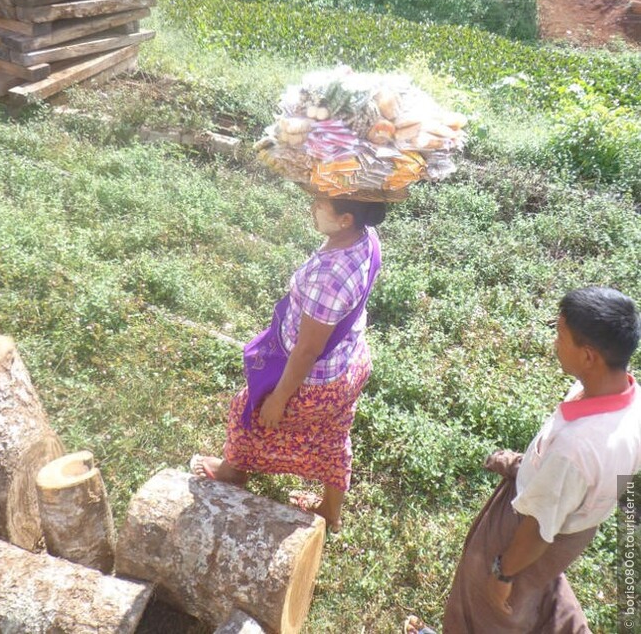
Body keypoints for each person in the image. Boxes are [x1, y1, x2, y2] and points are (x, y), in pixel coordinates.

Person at [423, 285, 641, 633]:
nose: (555, 342)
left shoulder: (576, 450)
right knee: (542, 594)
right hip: (569, 521)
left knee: (489, 604)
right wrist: (525, 465)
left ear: (588, 356)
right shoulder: (630, 399)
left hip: (533, 529)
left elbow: (538, 531)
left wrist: (503, 572)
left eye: (560, 333)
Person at [191, 194, 385, 531]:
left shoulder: (330, 278)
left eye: (321, 205)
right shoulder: (367, 239)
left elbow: (308, 350)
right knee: (334, 432)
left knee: (248, 411)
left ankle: (232, 471)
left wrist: (279, 399)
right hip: (350, 362)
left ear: (345, 219)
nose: (312, 207)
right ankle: (330, 512)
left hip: (319, 377)